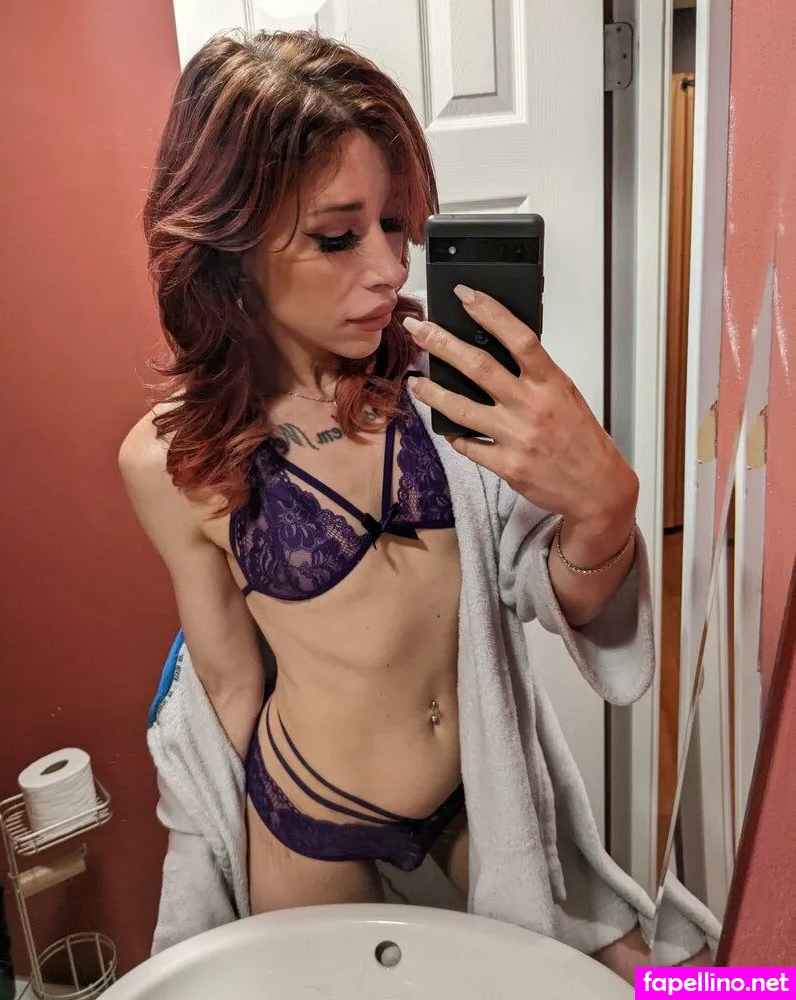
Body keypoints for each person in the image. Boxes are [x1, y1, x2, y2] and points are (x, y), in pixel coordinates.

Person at [120, 31, 711, 977]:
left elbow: (550, 587)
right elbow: (227, 688)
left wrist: (604, 508)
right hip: (310, 815)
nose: (392, 269)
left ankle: (766, 982)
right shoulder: (172, 460)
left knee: (656, 982)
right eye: (338, 236)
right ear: (231, 246)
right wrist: (211, 891)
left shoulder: (440, 390)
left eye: (396, 224)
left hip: (479, 793)